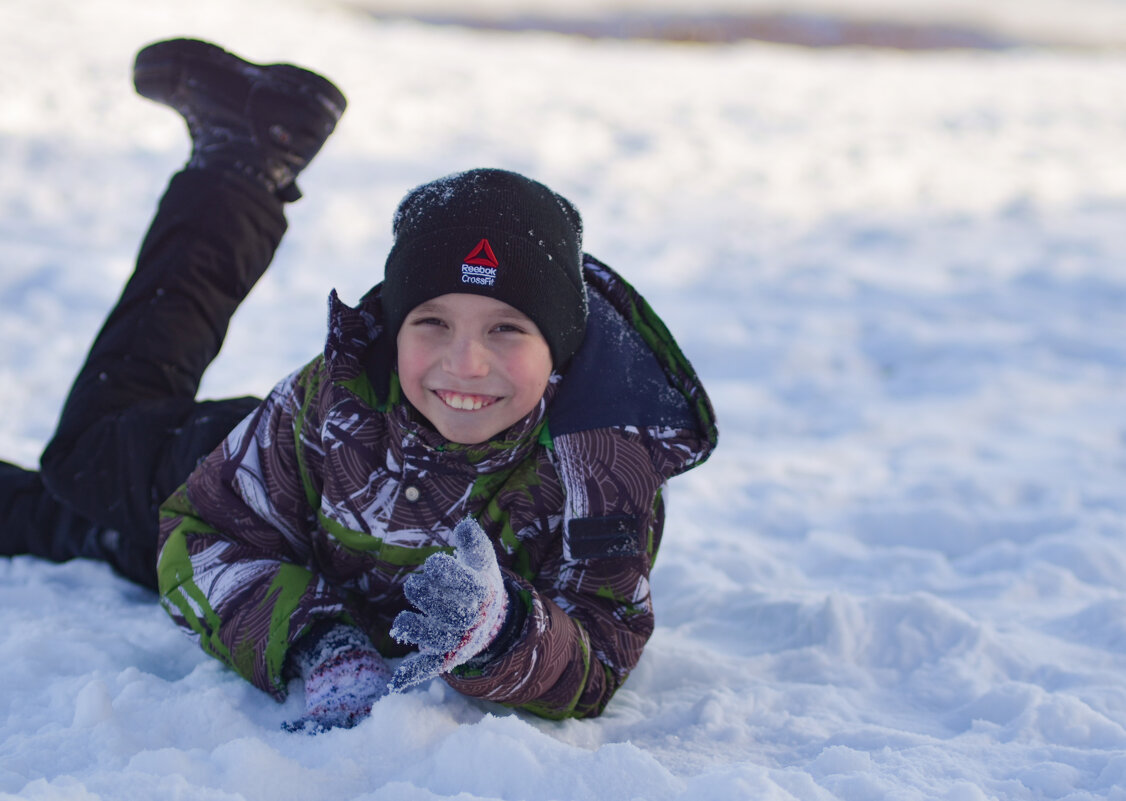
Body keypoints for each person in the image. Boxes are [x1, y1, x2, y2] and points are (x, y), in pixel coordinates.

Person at [0, 38, 717, 732]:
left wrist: (502, 633)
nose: (465, 363)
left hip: (295, 549)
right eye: (432, 321)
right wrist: (318, 639)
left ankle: (248, 146)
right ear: (393, 326)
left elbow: (599, 650)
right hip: (260, 474)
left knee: (64, 520)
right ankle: (239, 163)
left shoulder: (600, 461)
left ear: (558, 349)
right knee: (88, 461)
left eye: (506, 329)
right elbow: (206, 527)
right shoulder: (330, 396)